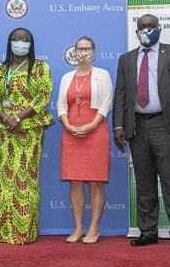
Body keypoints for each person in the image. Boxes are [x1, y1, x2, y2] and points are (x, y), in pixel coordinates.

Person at [113, 14, 170, 250]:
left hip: (165, 124)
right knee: (144, 182)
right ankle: (148, 231)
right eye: (142, 27)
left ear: (159, 28)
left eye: (151, 26)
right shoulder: (126, 59)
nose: (147, 30)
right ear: (136, 30)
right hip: (137, 127)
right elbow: (121, 95)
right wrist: (119, 126)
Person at [0, 27, 55, 245]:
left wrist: (18, 117)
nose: (20, 42)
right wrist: (6, 118)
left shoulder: (40, 67)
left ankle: (24, 232)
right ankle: (2, 232)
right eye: (16, 39)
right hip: (6, 130)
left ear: (31, 43)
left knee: (25, 178)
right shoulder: (0, 69)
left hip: (31, 129)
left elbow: (43, 97)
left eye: (25, 39)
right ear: (9, 42)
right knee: (5, 178)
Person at [57, 36, 112, 244]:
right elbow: (61, 106)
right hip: (70, 133)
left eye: (87, 49)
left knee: (96, 181)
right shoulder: (66, 77)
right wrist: (67, 125)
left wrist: (92, 126)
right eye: (79, 49)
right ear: (74, 52)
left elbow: (106, 103)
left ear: (94, 52)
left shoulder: (103, 75)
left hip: (95, 132)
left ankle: (94, 227)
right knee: (75, 181)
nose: (83, 52)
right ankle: (78, 227)